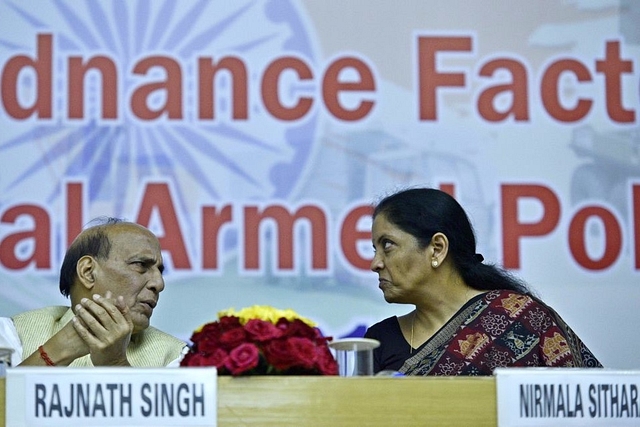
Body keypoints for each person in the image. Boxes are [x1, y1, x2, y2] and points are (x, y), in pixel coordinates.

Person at [364, 188, 602, 375]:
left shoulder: (521, 318)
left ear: (437, 249)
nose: (376, 263)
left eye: (387, 246)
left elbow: (583, 405)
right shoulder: (379, 341)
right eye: (375, 249)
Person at [0, 218, 186, 368]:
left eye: (159, 271)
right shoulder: (11, 334)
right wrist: (58, 351)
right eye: (140, 265)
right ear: (88, 272)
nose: (159, 284)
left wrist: (115, 364)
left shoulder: (176, 357)